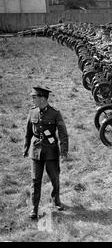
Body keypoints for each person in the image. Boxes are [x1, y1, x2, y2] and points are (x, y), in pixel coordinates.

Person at [23, 86, 69, 220]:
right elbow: (28, 132)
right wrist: (26, 148)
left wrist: (64, 150)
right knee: (35, 180)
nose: (32, 99)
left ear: (43, 99)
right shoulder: (32, 112)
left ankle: (56, 199)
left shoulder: (55, 113)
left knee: (54, 177)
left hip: (51, 151)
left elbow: (63, 133)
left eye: (34, 97)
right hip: (36, 150)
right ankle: (34, 207)